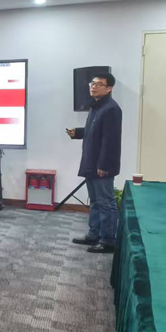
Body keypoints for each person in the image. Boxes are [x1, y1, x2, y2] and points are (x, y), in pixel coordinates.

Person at [67, 72, 122, 254]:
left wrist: (104, 165)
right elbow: (94, 131)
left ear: (109, 88)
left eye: (99, 84)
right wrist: (78, 133)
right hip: (91, 162)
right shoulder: (96, 107)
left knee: (106, 203)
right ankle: (94, 235)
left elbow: (110, 140)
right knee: (96, 201)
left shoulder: (111, 109)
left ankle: (108, 241)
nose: (94, 86)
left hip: (102, 166)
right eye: (92, 83)